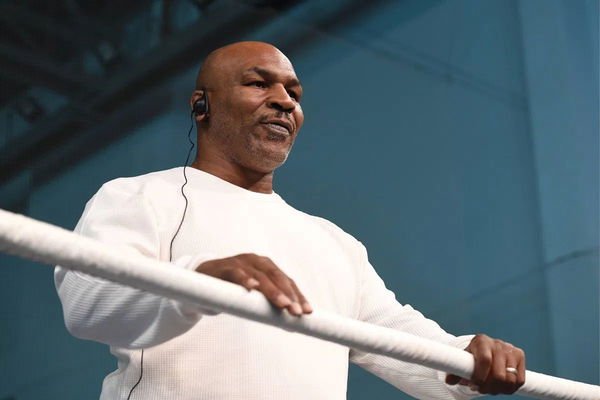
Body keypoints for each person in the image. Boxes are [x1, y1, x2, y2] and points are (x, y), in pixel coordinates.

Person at [55, 41, 525, 400]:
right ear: (202, 106)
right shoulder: (139, 196)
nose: (284, 100)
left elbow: (408, 349)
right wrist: (198, 280)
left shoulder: (333, 243)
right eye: (259, 84)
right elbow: (88, 302)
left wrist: (471, 358)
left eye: (293, 93)